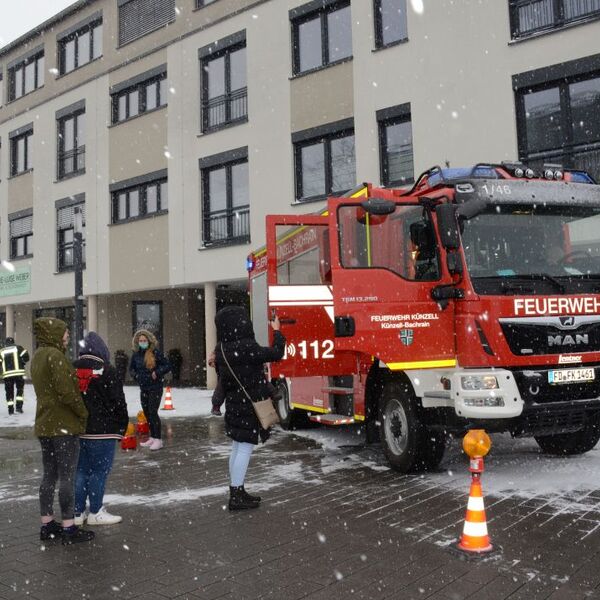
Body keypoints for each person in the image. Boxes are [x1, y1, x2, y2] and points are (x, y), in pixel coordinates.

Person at [31, 317, 94, 545]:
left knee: (49, 474)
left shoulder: (38, 356)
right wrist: (82, 411)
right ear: (55, 333)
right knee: (67, 475)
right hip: (63, 425)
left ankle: (47, 524)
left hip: (45, 424)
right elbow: (67, 392)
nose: (68, 336)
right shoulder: (55, 356)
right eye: (65, 332)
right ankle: (69, 527)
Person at [214, 306, 285, 511]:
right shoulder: (247, 347)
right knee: (244, 448)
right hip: (249, 406)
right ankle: (236, 495)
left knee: (237, 447)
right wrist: (277, 331)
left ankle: (237, 490)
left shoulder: (222, 349)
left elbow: (224, 380)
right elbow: (276, 353)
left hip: (235, 405)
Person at [73, 332, 129, 526]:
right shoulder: (108, 370)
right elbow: (118, 401)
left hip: (80, 430)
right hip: (104, 431)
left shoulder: (72, 370)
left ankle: (77, 513)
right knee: (99, 472)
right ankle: (95, 511)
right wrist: (121, 426)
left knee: (80, 472)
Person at [129, 330, 171, 451]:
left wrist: (157, 372)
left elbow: (167, 365)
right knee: (147, 413)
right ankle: (152, 437)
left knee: (153, 412)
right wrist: (135, 376)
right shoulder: (136, 355)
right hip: (144, 388)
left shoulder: (155, 352)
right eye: (140, 341)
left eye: (144, 340)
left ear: (149, 341)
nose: (142, 342)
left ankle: (158, 439)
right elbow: (131, 369)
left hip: (155, 388)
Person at [208, 350, 282, 416]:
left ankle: (216, 407)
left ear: (214, 360)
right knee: (258, 379)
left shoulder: (222, 363)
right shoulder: (224, 357)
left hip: (238, 371)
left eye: (211, 364)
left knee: (222, 386)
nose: (212, 366)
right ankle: (274, 393)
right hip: (245, 368)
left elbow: (220, 387)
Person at [0, 336, 29, 415]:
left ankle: (10, 409)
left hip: (7, 375)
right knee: (20, 390)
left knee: (9, 392)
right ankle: (19, 408)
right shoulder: (18, 348)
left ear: (6, 343)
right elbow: (26, 357)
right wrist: (22, 362)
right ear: (13, 342)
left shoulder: (2, 351)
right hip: (18, 374)